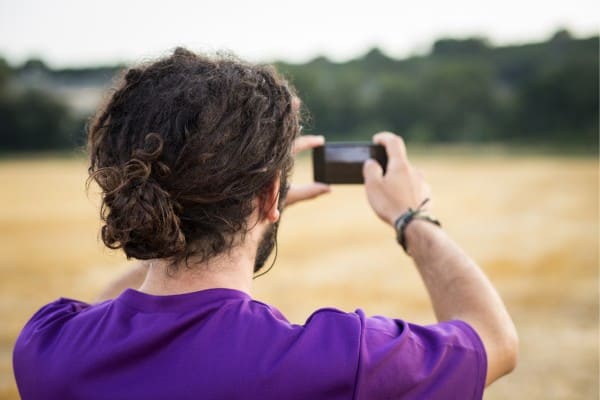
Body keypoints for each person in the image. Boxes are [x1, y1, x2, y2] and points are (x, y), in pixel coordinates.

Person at [13, 48, 518, 400]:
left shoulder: (46, 346)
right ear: (271, 194)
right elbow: (494, 341)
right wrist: (414, 218)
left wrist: (246, 204)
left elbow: (112, 317)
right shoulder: (337, 363)